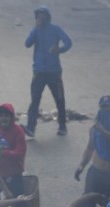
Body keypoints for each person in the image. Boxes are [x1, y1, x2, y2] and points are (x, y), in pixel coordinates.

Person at [23, 5, 72, 137]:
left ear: (48, 18)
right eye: (39, 17)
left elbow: (68, 42)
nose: (41, 19)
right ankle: (31, 127)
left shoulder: (55, 29)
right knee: (35, 100)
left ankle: (62, 125)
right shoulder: (36, 30)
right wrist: (35, 28)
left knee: (59, 99)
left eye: (43, 17)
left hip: (54, 72)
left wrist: (59, 50)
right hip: (39, 71)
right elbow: (27, 44)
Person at [0, 103, 39, 207]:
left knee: (21, 205)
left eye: (6, 116)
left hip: (13, 174)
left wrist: (4, 153)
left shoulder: (18, 131)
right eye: (1, 116)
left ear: (11, 117)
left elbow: (20, 152)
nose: (3, 119)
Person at [74, 95, 110, 207]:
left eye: (108, 107)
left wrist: (103, 131)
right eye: (103, 107)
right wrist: (81, 166)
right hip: (96, 173)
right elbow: (89, 148)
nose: (106, 110)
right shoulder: (95, 129)